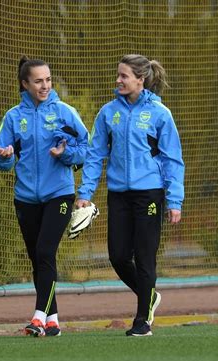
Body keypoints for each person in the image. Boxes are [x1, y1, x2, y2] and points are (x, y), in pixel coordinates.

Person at [76, 54, 184, 336]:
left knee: (145, 256)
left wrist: (174, 200)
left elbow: (173, 159)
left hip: (149, 194)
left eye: (124, 76)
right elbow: (94, 154)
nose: (118, 80)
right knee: (119, 256)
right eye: (118, 75)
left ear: (140, 79)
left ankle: (142, 321)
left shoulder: (160, 114)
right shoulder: (108, 113)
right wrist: (84, 193)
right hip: (118, 194)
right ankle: (149, 296)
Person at [0, 56, 89, 337]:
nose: (45, 85)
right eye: (38, 81)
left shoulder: (64, 112)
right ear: (25, 84)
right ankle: (53, 319)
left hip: (59, 194)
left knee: (45, 252)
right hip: (25, 198)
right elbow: (0, 161)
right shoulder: (13, 117)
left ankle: (37, 317)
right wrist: (5, 157)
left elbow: (87, 149)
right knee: (38, 259)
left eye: (48, 80)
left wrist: (66, 154)